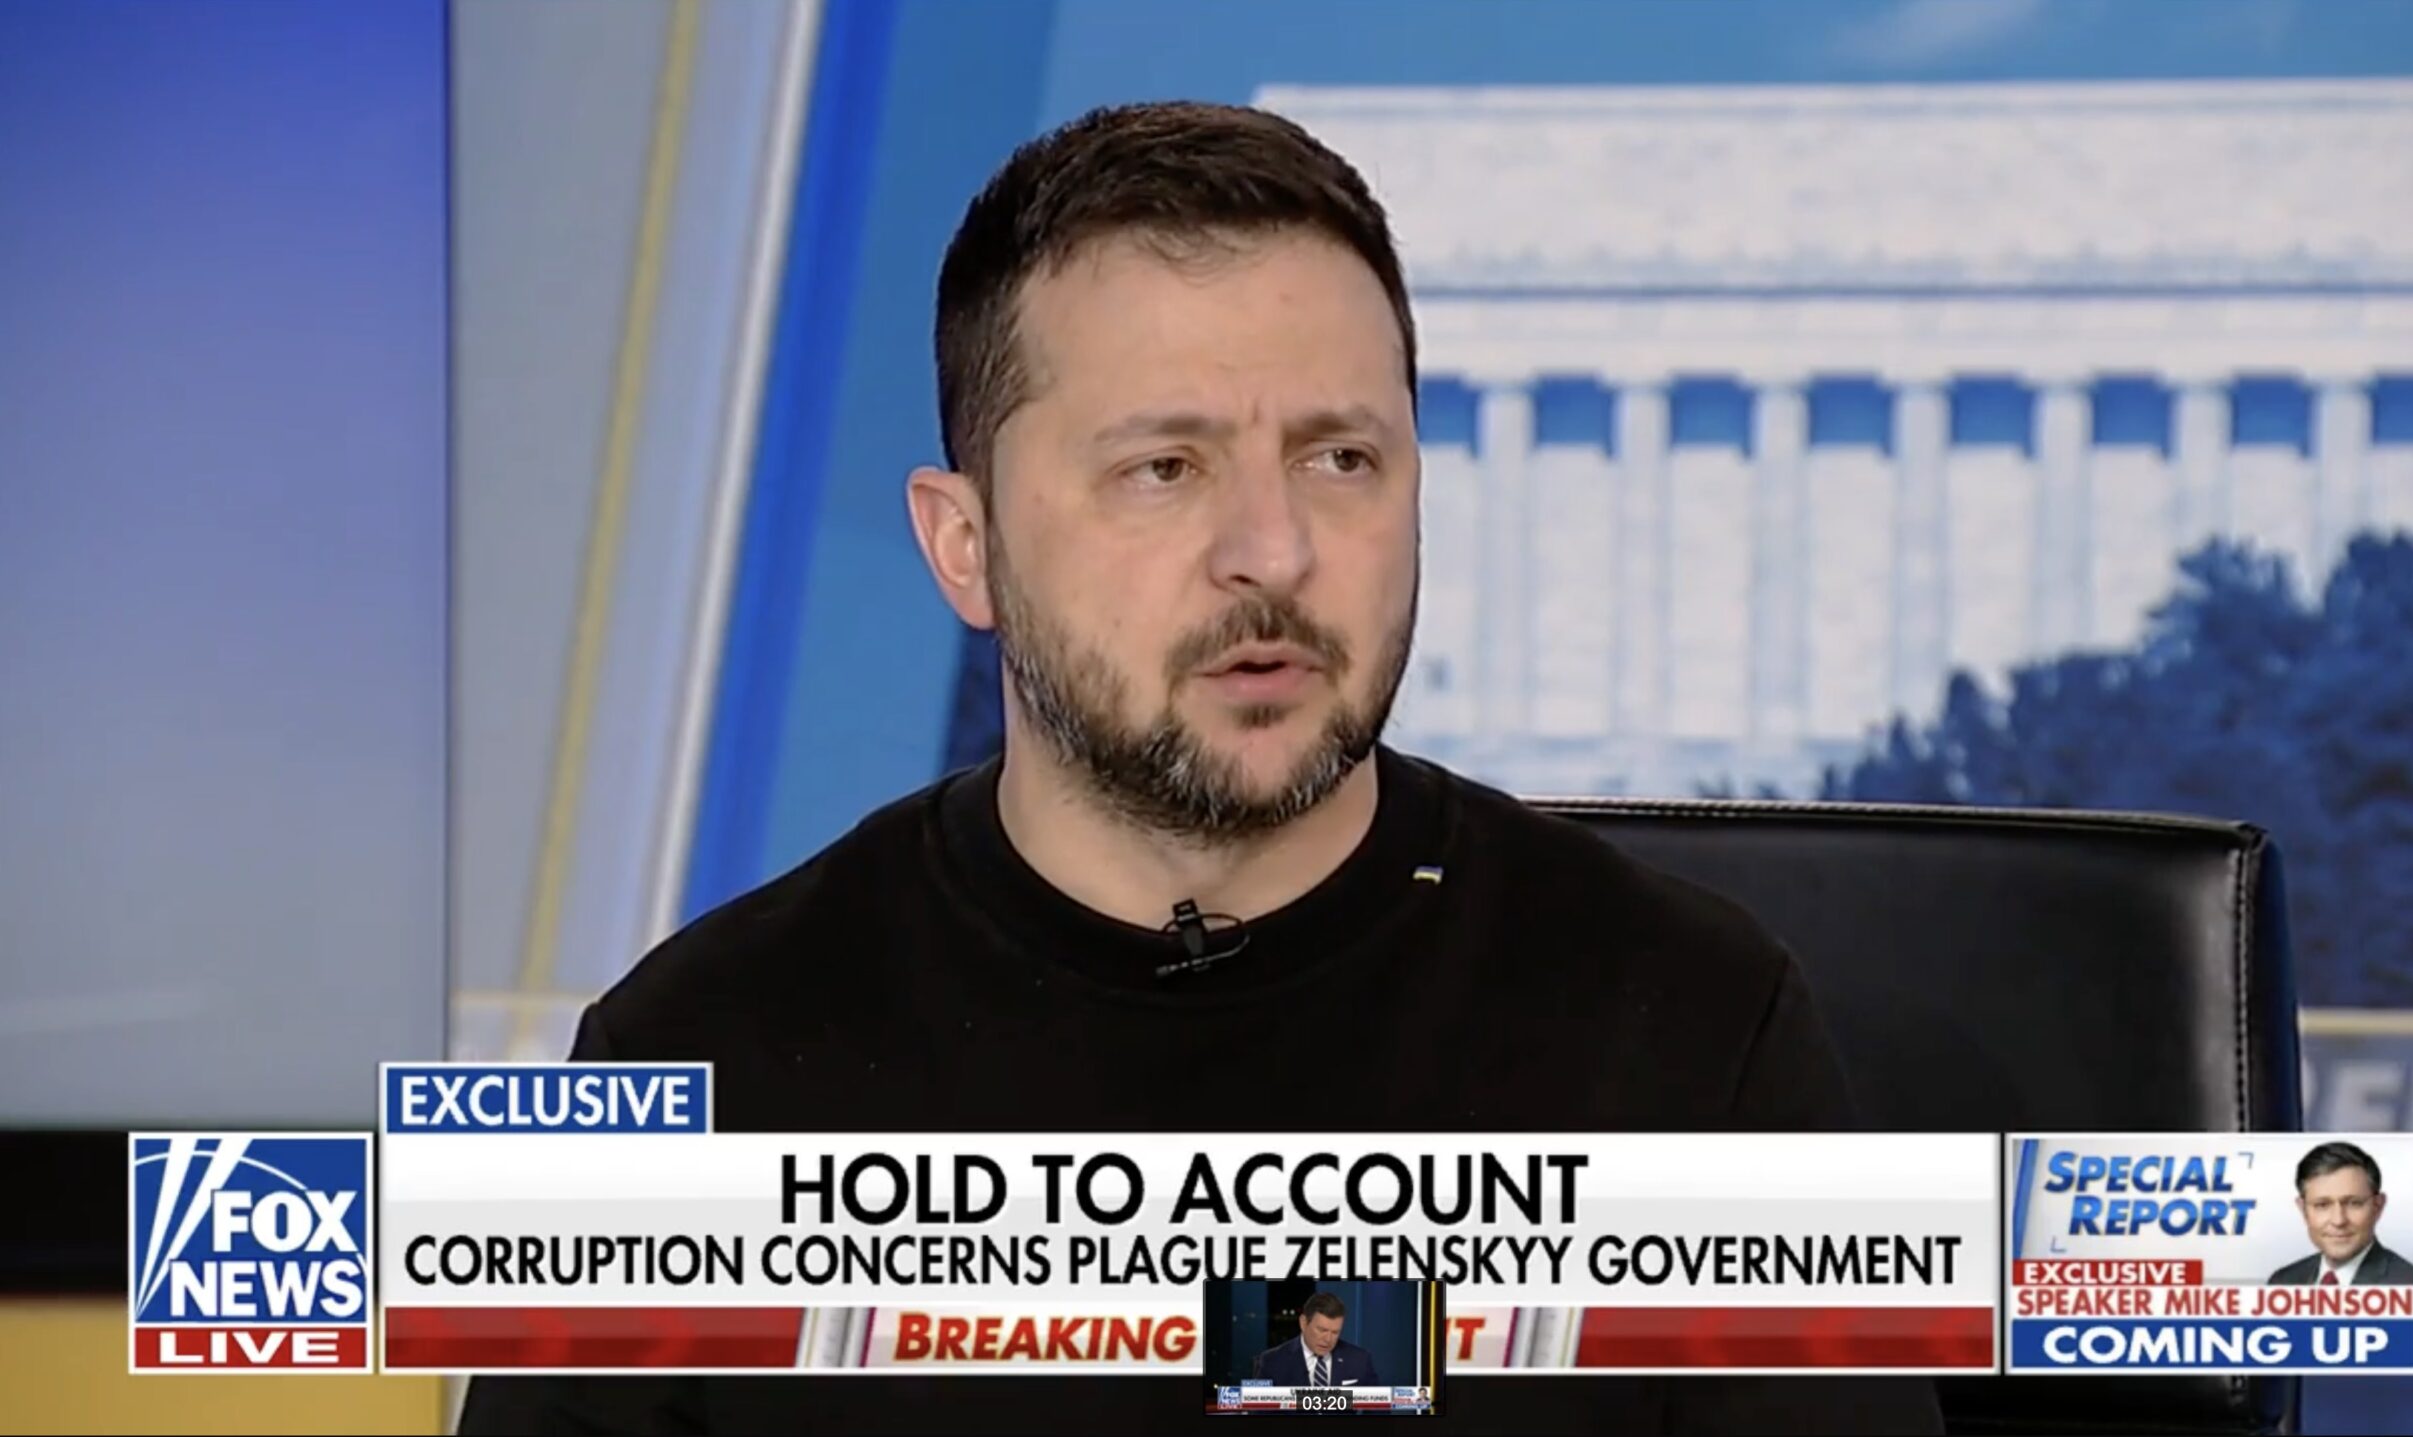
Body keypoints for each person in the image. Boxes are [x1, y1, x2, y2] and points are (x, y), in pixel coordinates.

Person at [459, 99, 1942, 1435]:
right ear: (964, 546)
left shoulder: (1692, 1032)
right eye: (1162, 468)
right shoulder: (694, 1058)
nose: (1272, 551)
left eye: (1339, 459)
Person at [2267, 1141, 2413, 1285]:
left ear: (2377, 1206)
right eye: (2322, 1205)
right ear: (2303, 1210)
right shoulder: (2282, 1282)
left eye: (2354, 1203)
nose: (2338, 1220)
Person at [1250, 1292, 1377, 1387]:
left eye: (1335, 1332)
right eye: (1322, 1330)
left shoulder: (1360, 1359)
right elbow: (1257, 1410)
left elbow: (1378, 1408)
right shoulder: (1270, 1362)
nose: (1328, 1339)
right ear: (1303, 1323)